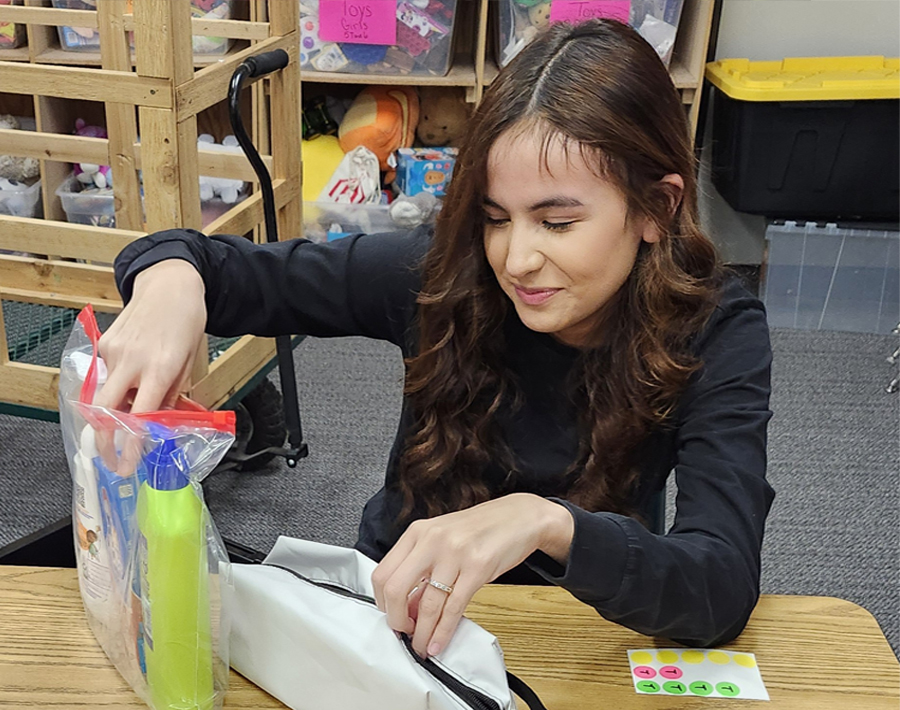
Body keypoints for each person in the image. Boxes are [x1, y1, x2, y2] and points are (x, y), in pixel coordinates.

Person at [96, 19, 774, 659]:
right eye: (494, 217)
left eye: (557, 222)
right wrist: (168, 282)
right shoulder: (443, 274)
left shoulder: (714, 330)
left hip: (581, 635)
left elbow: (718, 586)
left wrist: (546, 522)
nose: (516, 260)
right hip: (399, 616)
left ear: (657, 207)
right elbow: (211, 266)